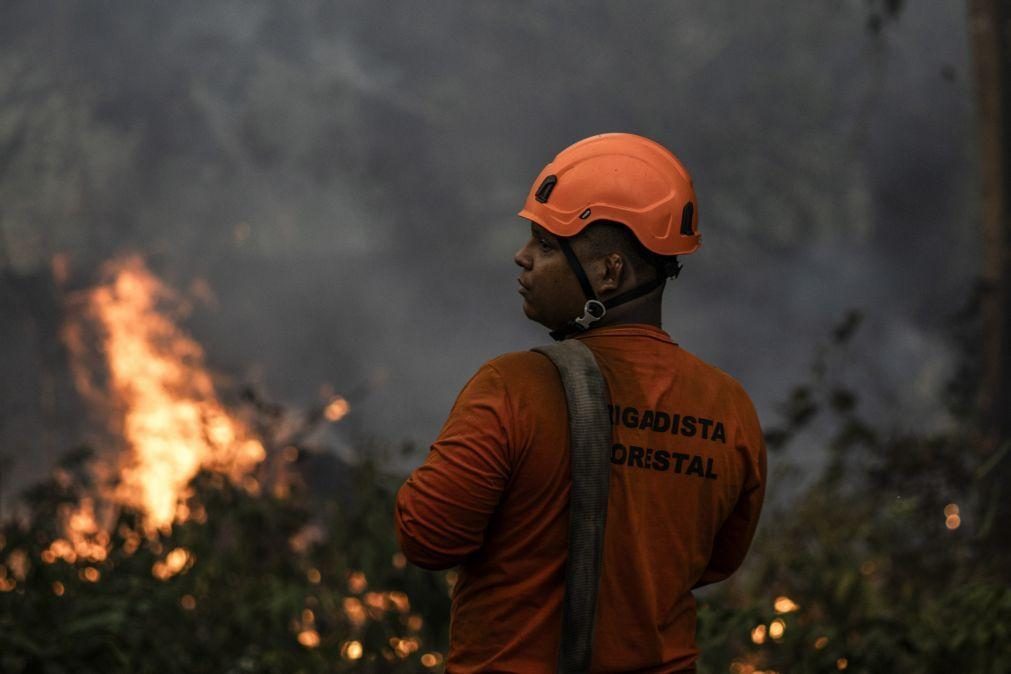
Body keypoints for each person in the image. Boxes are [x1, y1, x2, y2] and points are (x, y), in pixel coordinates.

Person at [395, 133, 767, 673]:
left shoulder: (513, 387)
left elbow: (427, 538)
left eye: (547, 245)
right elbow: (716, 563)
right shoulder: (730, 409)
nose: (522, 258)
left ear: (609, 272)